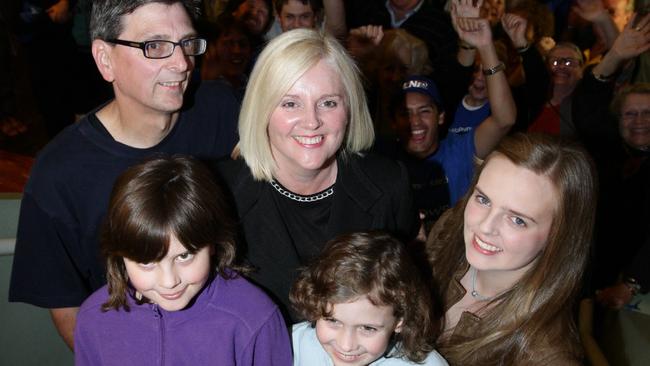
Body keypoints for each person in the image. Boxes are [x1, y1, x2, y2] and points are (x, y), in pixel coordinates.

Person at [9, 0, 239, 350]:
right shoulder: (58, 174)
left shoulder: (225, 111)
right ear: (105, 59)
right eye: (155, 46)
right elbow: (67, 308)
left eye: (187, 43)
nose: (182, 64)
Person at [216, 28, 418, 320]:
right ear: (262, 110)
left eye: (328, 103)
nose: (312, 122)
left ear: (349, 108)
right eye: (290, 103)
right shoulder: (220, 193)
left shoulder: (388, 184)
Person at [74, 156, 292, 365]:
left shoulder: (254, 318)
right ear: (120, 256)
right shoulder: (94, 318)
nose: (169, 281)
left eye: (184, 256)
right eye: (147, 262)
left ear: (213, 243)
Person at [426, 133, 597, 365]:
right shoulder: (448, 230)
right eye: (483, 199)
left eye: (517, 220)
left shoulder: (544, 356)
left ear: (559, 236)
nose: (485, 226)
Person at [570, 14, 650, 307]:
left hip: (634, 292)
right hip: (586, 275)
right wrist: (615, 55)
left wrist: (631, 283)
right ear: (618, 121)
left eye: (647, 113)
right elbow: (586, 109)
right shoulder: (608, 150)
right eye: (630, 114)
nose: (639, 121)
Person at [290, 231, 449, 365]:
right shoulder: (291, 345)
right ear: (315, 303)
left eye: (367, 328)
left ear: (400, 319)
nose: (346, 345)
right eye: (333, 321)